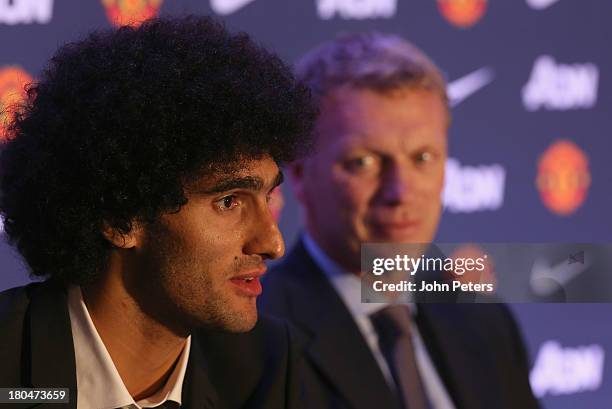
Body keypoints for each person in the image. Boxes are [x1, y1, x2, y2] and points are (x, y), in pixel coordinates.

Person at [0, 16, 315, 408]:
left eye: (267, 199)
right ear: (121, 218)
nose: (272, 243)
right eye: (229, 201)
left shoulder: (263, 365)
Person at [259, 32, 540, 409]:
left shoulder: (482, 321)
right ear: (298, 172)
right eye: (363, 162)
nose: (400, 192)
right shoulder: (257, 342)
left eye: (423, 158)